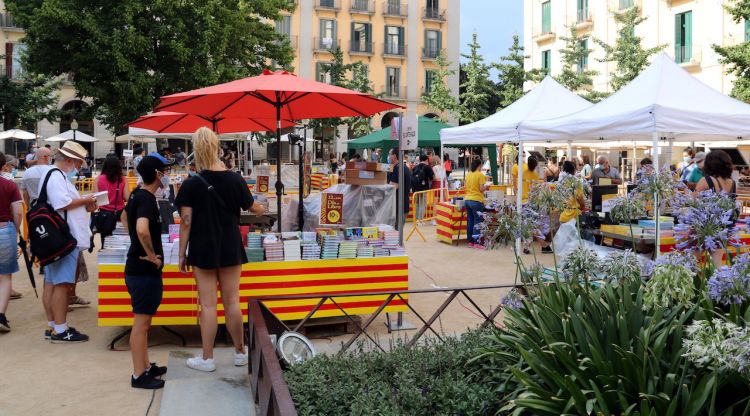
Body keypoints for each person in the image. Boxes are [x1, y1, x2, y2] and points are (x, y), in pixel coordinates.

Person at [176, 127, 265, 372]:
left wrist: (181, 253)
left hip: (202, 247)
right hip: (229, 244)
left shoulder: (191, 184)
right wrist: (261, 205)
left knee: (207, 305)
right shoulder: (235, 178)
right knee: (232, 301)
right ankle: (239, 352)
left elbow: (186, 222)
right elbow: (253, 208)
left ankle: (207, 358)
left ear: (196, 150)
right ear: (217, 147)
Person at [40, 141, 97, 343]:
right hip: (64, 239)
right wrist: (86, 199)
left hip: (59, 238)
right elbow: (62, 203)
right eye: (79, 164)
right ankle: (61, 329)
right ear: (70, 161)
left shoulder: (56, 176)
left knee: (52, 283)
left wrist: (84, 204)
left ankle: (54, 326)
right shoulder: (56, 177)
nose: (79, 168)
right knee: (62, 284)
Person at [121, 154, 170, 389]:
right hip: (143, 270)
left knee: (145, 321)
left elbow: (123, 216)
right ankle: (138, 374)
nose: (167, 176)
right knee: (141, 323)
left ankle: (147, 365)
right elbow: (142, 229)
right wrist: (151, 255)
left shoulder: (137, 195)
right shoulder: (147, 199)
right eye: (165, 171)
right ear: (158, 174)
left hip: (137, 269)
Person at [0, 152, 23, 333]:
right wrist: (14, 232)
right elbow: (18, 212)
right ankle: (0, 315)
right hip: (3, 230)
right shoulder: (9, 185)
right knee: (5, 277)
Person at [94, 156, 130, 246]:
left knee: (105, 240)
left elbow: (95, 198)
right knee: (120, 241)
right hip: (120, 214)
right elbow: (126, 197)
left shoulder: (98, 179)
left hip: (104, 215)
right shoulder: (123, 179)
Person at [464, 158, 487, 249]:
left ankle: (470, 242)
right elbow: (481, 189)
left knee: (470, 221)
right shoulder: (480, 175)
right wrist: (487, 187)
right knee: (477, 222)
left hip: (467, 200)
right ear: (479, 165)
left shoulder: (469, 174)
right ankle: (477, 242)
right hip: (477, 200)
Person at [387, 148, 411, 229]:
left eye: (390, 154)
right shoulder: (398, 167)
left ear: (394, 156)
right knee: (395, 234)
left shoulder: (399, 168)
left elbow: (393, 186)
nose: (389, 156)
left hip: (399, 206)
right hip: (399, 206)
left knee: (396, 234)